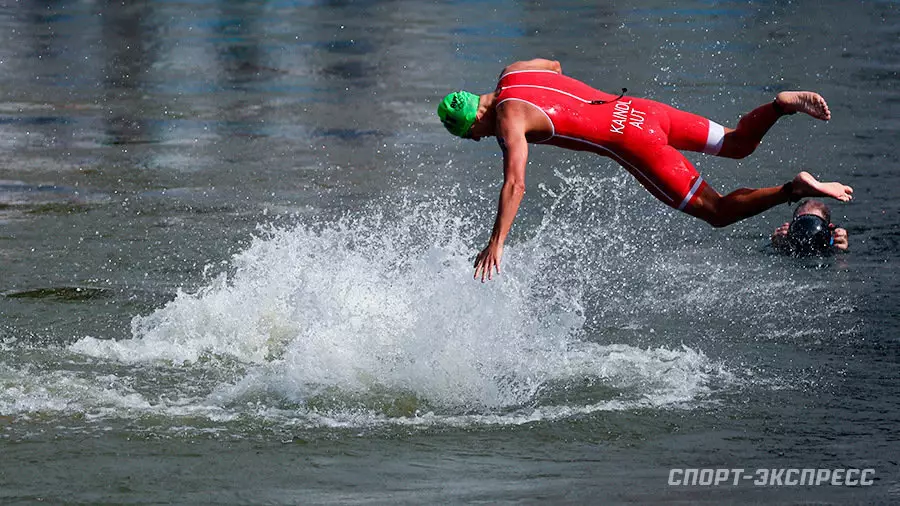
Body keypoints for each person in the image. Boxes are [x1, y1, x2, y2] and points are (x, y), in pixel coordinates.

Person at [437, 58, 854, 281]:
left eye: (474, 135)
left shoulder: (509, 121)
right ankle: (781, 106)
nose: (481, 139)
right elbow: (556, 68)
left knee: (718, 212)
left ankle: (793, 190)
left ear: (475, 120)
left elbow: (516, 182)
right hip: (639, 110)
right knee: (737, 143)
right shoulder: (513, 73)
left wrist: (497, 242)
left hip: (635, 143)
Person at [771, 199, 849, 255]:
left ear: (829, 228)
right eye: (801, 224)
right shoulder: (789, 245)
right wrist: (778, 247)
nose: (807, 231)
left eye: (814, 223)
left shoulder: (834, 245)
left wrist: (841, 253)